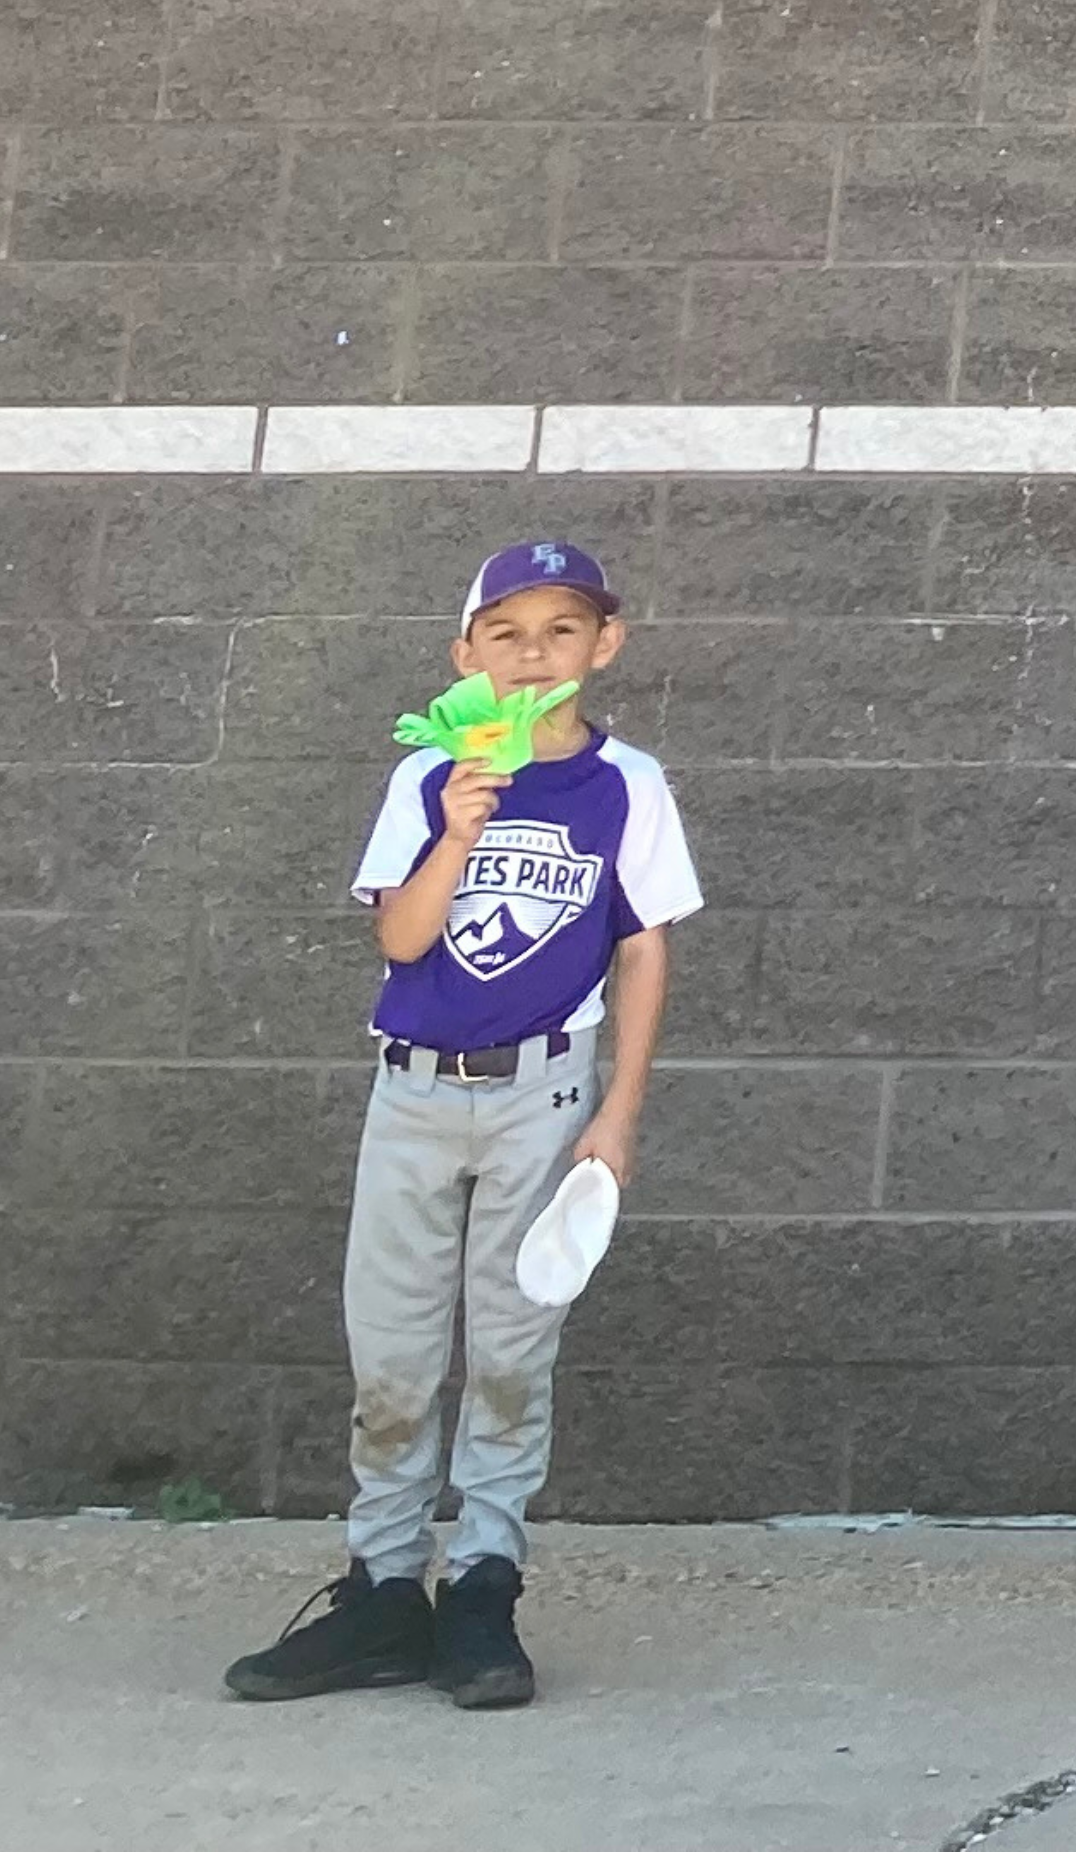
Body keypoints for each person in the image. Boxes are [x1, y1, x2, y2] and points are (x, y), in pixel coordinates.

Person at [227, 540, 699, 1713]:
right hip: (416, 1091)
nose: (534, 653)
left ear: (605, 644)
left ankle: (483, 1585)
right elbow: (401, 939)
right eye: (506, 633)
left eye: (561, 629)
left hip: (543, 1095)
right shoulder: (431, 775)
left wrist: (618, 1114)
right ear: (465, 655)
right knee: (389, 1353)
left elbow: (642, 948)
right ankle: (385, 1591)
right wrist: (457, 824)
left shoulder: (626, 783)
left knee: (509, 1350)